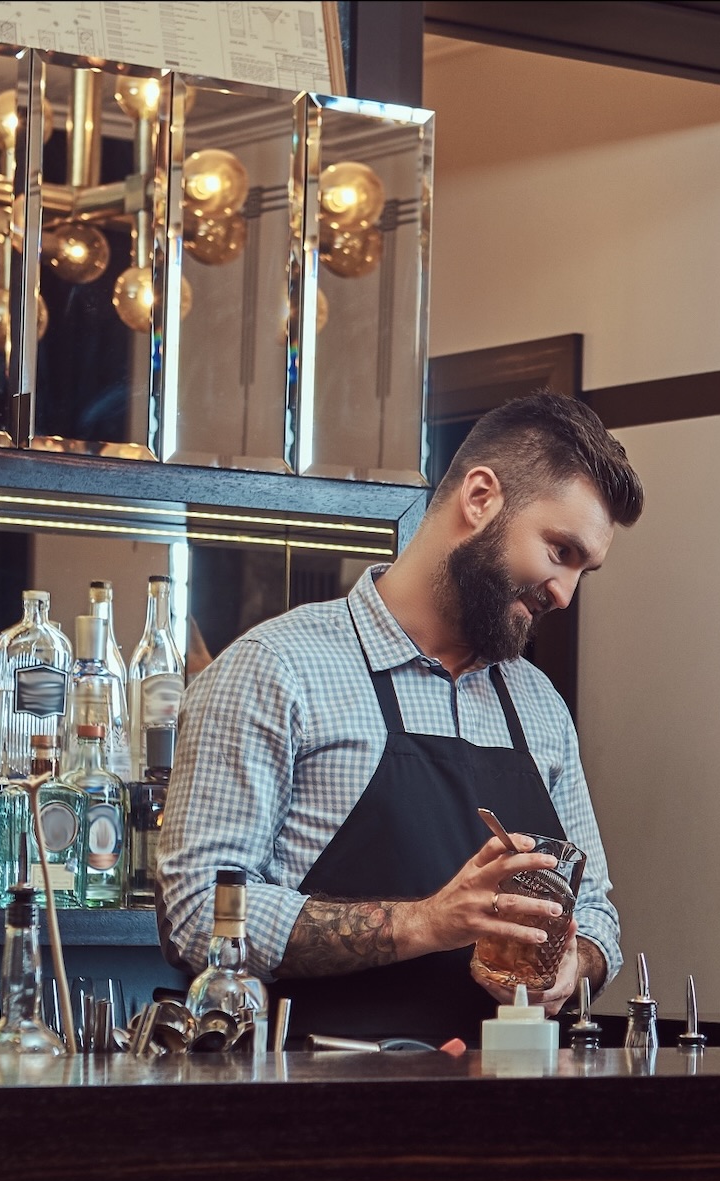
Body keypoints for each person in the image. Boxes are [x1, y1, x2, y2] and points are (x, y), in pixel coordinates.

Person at [157, 392, 641, 1045]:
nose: (563, 592)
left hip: (504, 1104)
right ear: (480, 498)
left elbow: (596, 914)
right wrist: (430, 922)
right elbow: (195, 913)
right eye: (559, 550)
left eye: (584, 569)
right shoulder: (274, 670)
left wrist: (568, 966)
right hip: (327, 1108)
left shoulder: (537, 704)